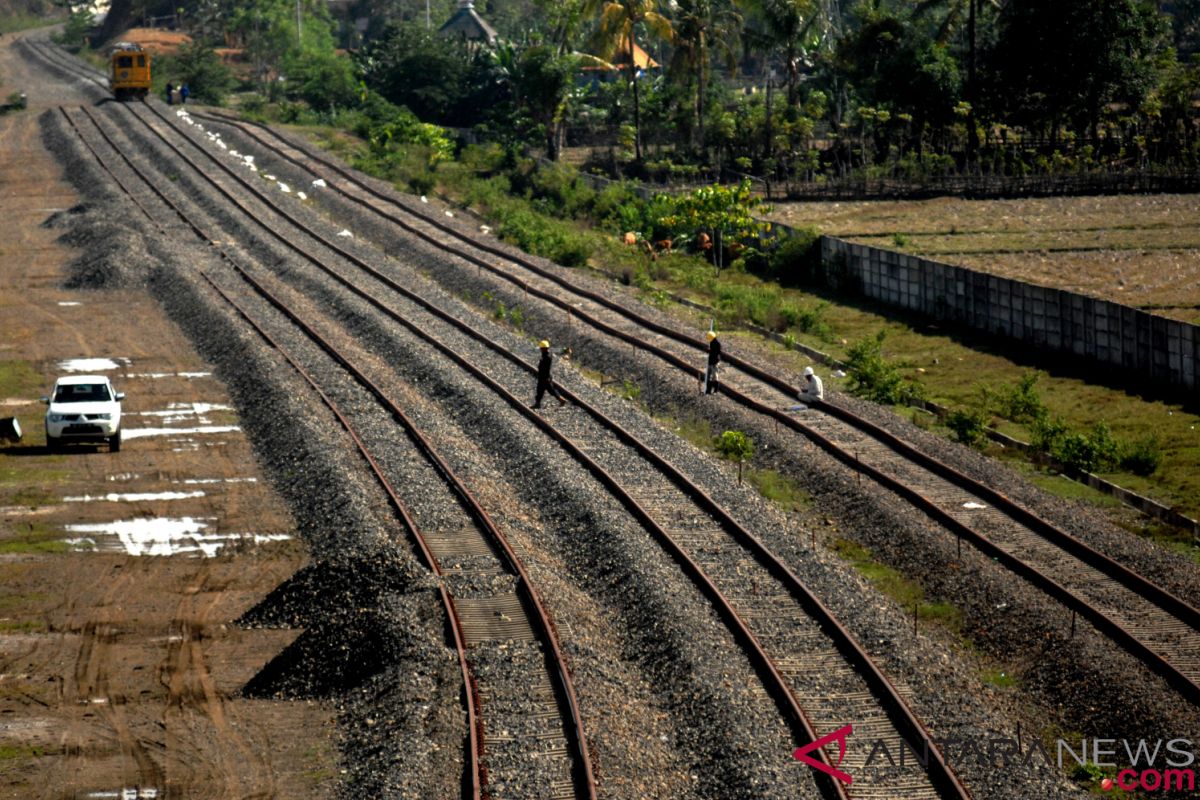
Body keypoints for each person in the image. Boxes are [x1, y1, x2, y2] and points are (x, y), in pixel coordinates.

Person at [532, 340, 566, 409]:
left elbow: (543, 368)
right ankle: (561, 400)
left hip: (544, 377)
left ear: (543, 349)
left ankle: (537, 404)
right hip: (545, 377)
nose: (541, 349)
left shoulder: (546, 357)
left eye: (541, 348)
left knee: (541, 390)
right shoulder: (546, 355)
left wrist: (544, 377)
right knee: (550, 390)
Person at [704, 330, 721, 394]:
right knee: (708, 377)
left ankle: (716, 390)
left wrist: (710, 351)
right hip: (710, 361)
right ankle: (708, 390)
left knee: (714, 377)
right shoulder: (711, 343)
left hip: (715, 362)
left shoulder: (717, 344)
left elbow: (716, 353)